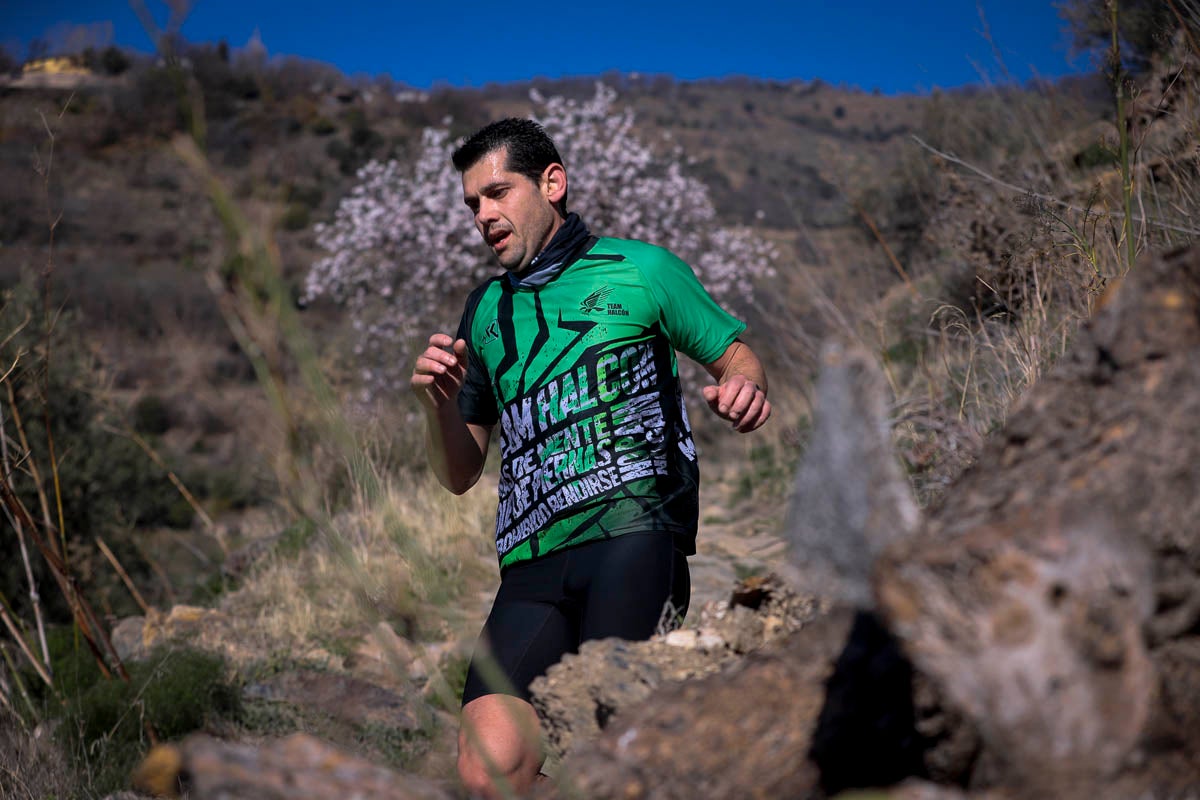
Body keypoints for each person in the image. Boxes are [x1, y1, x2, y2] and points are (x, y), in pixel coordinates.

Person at [410, 118, 772, 799]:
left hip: (635, 534)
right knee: (488, 771)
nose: (484, 215)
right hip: (531, 562)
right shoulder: (484, 311)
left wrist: (745, 385)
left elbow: (735, 353)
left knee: (618, 749)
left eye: (497, 192)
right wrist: (438, 407)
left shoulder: (644, 269)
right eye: (472, 205)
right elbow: (460, 474)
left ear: (553, 183)